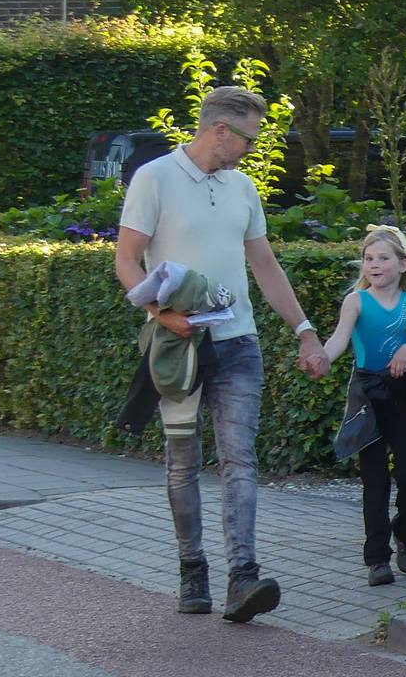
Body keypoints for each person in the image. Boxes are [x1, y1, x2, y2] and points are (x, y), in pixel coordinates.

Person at [114, 86, 330, 621]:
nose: (251, 148)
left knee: (240, 459)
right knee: (182, 463)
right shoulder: (154, 178)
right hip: (179, 347)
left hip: (239, 342)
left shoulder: (244, 189)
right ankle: (193, 572)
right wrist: (160, 315)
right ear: (219, 131)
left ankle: (244, 578)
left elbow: (266, 266)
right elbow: (127, 260)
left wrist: (304, 329)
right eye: (248, 138)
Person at [322, 226, 406, 587]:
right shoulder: (356, 301)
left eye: (383, 258)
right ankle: (377, 560)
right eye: (369, 259)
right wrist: (319, 359)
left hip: (401, 395)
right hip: (367, 395)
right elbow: (339, 339)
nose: (374, 264)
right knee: (374, 480)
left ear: (403, 264)